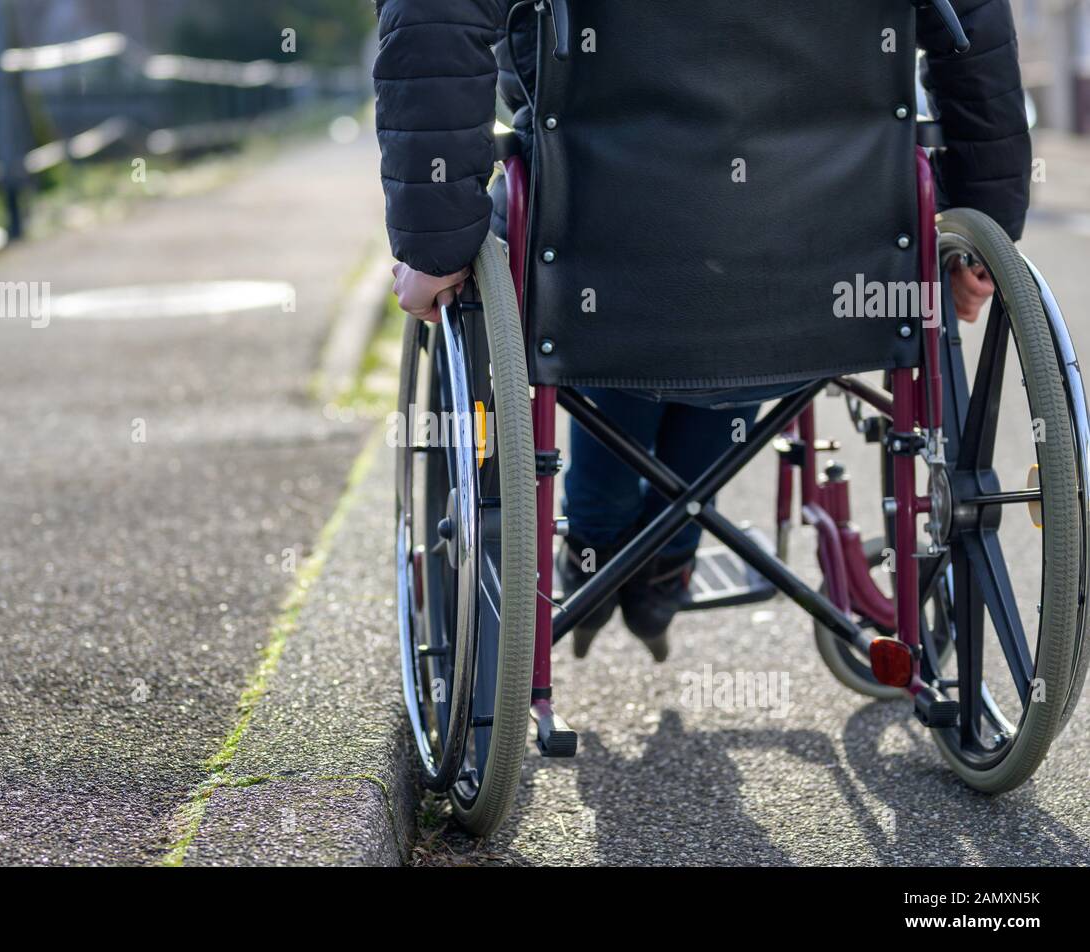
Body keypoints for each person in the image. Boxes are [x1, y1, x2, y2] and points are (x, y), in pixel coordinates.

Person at [374, 0, 1032, 660]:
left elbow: (437, 19)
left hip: (596, 240)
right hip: (819, 263)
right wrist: (980, 224)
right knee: (737, 280)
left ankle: (603, 546)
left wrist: (434, 240)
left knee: (620, 280)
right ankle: (662, 557)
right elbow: (974, 32)